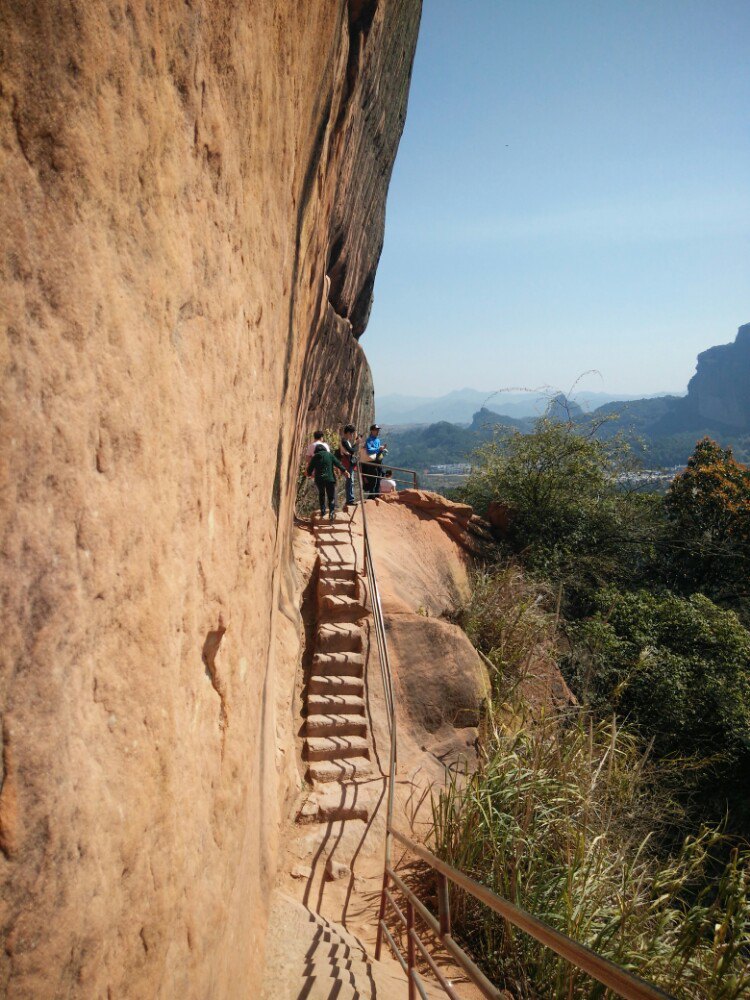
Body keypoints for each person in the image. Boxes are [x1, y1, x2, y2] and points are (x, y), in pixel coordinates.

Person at [307, 443, 349, 521]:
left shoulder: (315, 457)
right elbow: (338, 464)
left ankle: (323, 511)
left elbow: (310, 468)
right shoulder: (330, 455)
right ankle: (331, 513)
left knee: (322, 494)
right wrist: (345, 471)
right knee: (331, 496)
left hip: (319, 480)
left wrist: (309, 474)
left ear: (316, 451)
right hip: (330, 479)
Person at [361, 423, 387, 497]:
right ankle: (371, 496)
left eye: (378, 430)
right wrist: (378, 448)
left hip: (378, 462)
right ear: (371, 431)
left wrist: (382, 450)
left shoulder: (377, 440)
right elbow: (369, 450)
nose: (377, 431)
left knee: (379, 478)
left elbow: (376, 451)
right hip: (371, 463)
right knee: (372, 480)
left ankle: (376, 494)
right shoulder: (369, 440)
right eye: (376, 430)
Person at [338, 424, 360, 507]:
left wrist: (355, 445)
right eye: (351, 433)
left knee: (350, 481)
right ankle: (350, 500)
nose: (352, 435)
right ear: (347, 433)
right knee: (350, 481)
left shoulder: (346, 441)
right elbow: (351, 451)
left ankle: (350, 499)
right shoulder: (344, 441)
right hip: (347, 464)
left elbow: (351, 450)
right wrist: (357, 444)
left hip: (348, 463)